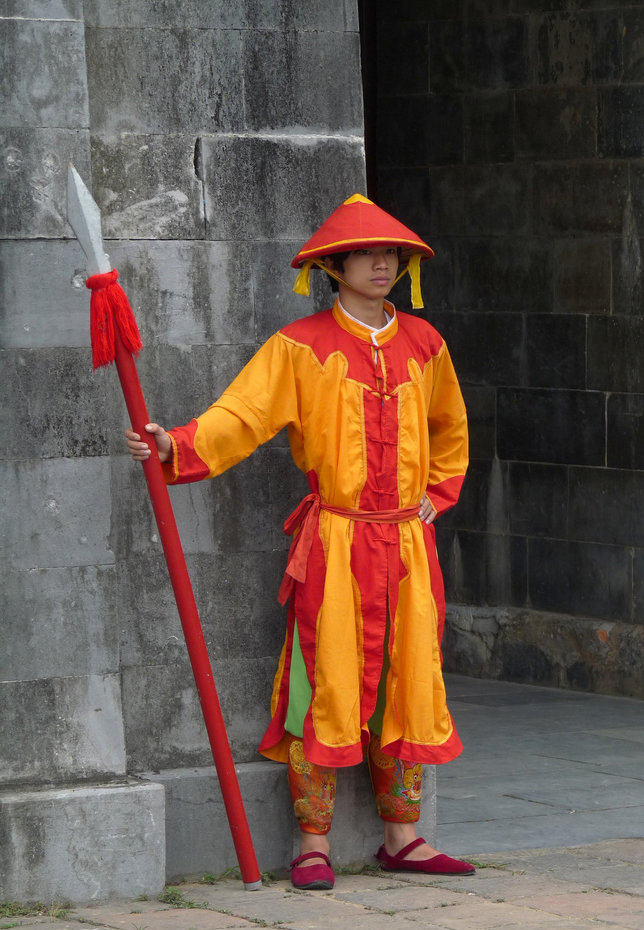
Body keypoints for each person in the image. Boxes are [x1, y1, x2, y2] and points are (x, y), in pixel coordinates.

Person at [125, 194, 474, 889]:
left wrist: (434, 499)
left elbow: (450, 431)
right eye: (368, 254)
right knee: (324, 680)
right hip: (338, 543)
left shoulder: (426, 345)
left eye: (393, 255)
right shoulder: (301, 346)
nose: (383, 264)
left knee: (409, 679)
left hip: (405, 543)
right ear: (335, 266)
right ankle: (311, 842)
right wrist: (175, 445)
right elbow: (242, 415)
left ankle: (403, 836)